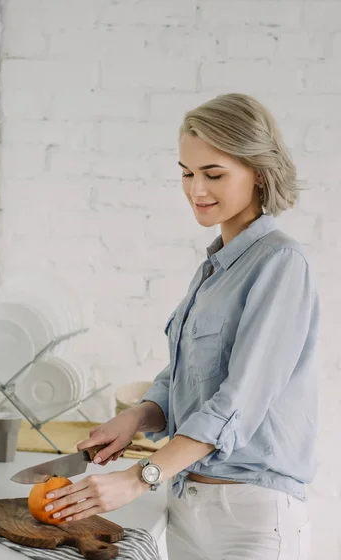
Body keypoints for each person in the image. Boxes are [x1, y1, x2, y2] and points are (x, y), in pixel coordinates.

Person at [43, 93, 319, 560]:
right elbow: (186, 375)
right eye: (187, 173)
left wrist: (138, 477)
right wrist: (136, 417)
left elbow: (239, 402)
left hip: (252, 515)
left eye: (213, 174)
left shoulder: (281, 264)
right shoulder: (214, 269)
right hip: (189, 505)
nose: (196, 190)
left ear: (258, 171)